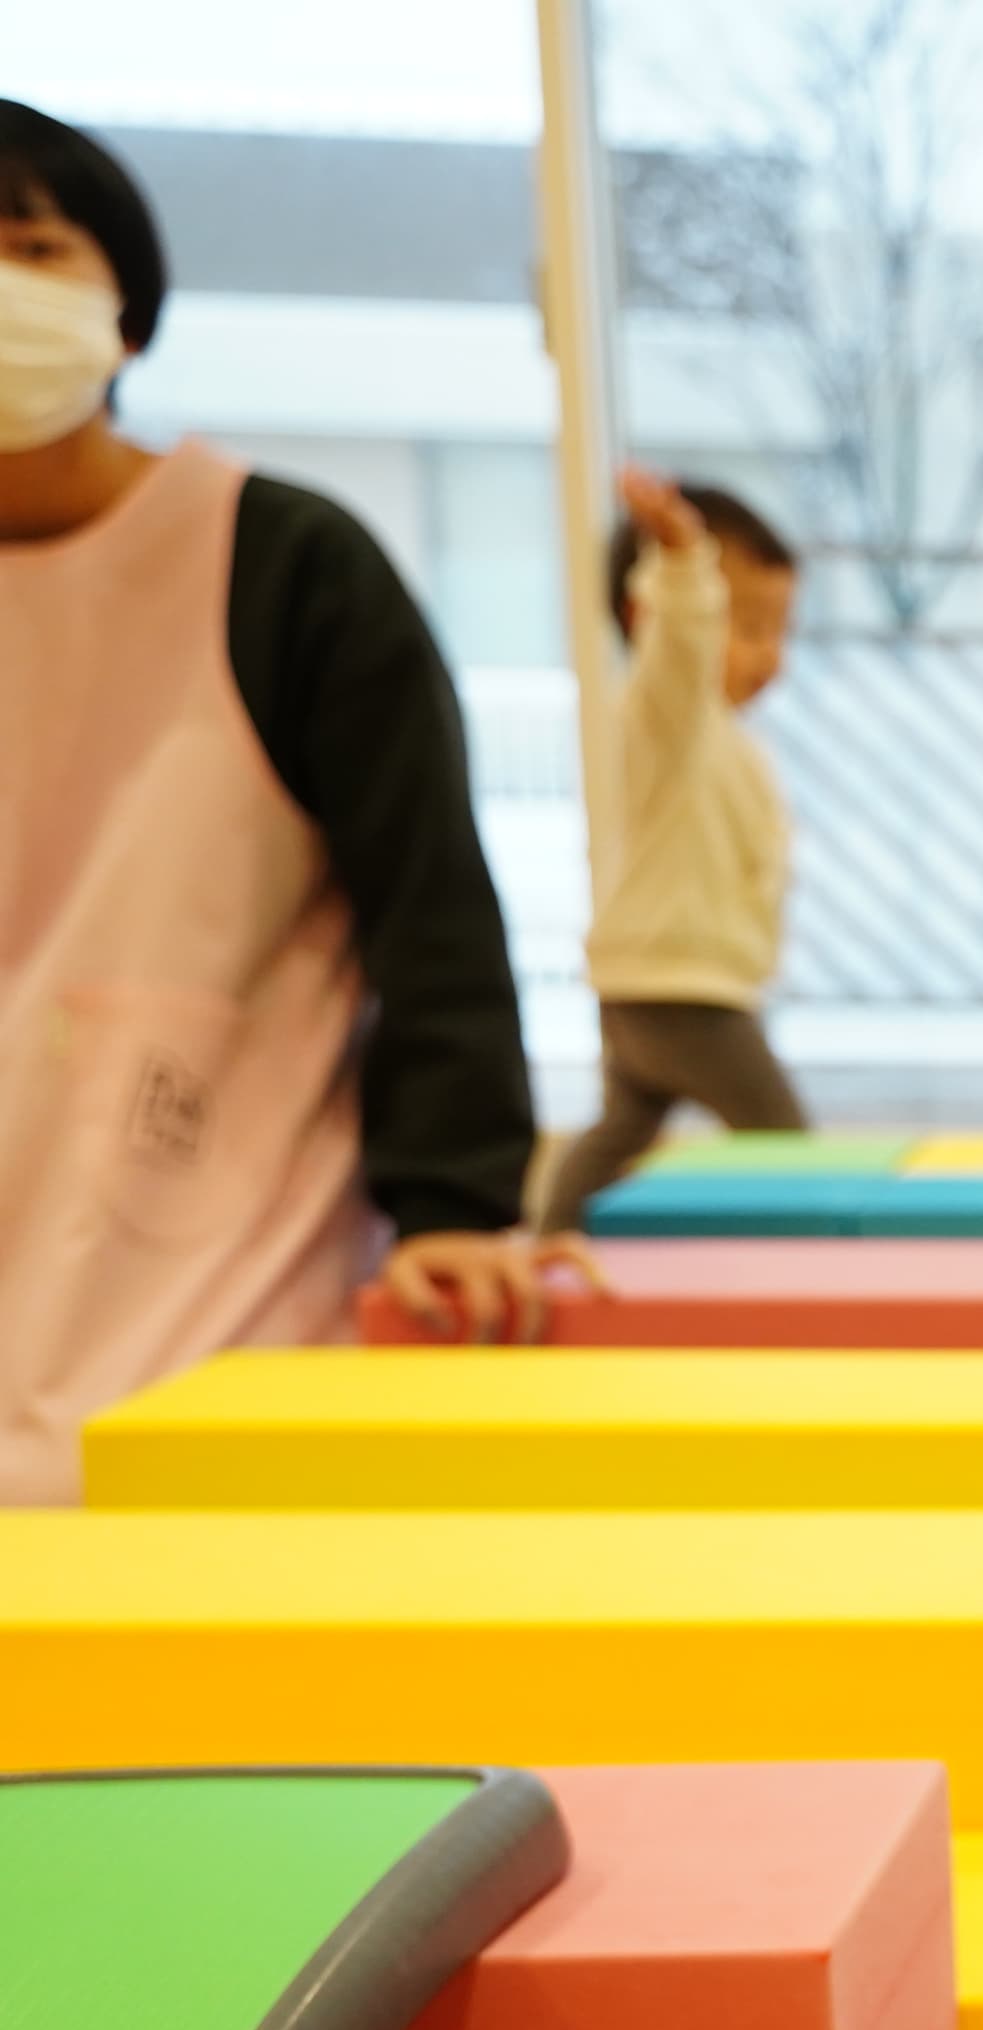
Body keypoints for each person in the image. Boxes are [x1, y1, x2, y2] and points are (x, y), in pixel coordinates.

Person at [0, 104, 591, 1502]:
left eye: (33, 248)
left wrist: (456, 1202)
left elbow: (430, 905)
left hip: (219, 1260)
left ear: (126, 305)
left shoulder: (284, 565)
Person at [534, 466, 805, 1230]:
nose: (770, 657)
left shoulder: (722, 742)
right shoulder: (667, 717)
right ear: (646, 616)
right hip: (681, 989)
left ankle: (550, 1238)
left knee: (621, 1132)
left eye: (779, 632)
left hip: (649, 981)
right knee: (787, 1146)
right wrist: (684, 562)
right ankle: (814, 1266)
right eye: (746, 629)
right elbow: (681, 648)